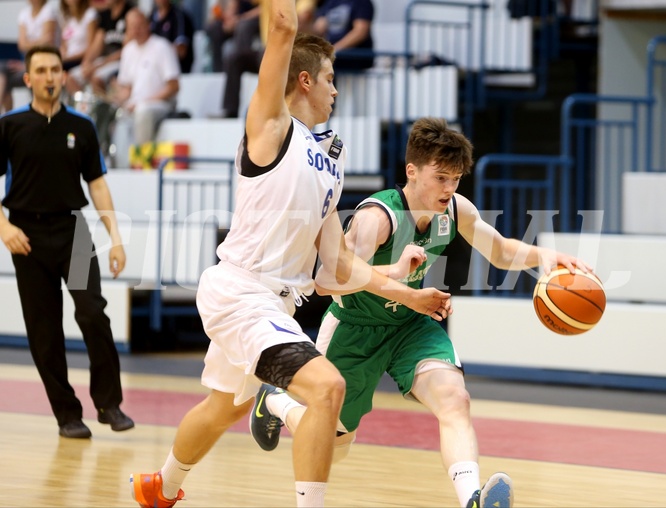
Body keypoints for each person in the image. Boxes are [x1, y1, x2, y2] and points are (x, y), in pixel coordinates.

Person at [129, 2, 450, 507]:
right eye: (329, 78)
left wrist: (396, 282)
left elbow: (336, 268)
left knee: (222, 409)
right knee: (327, 388)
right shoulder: (270, 126)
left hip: (275, 303)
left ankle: (159, 488)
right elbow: (281, 25)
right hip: (241, 291)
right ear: (304, 80)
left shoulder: (328, 163)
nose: (336, 89)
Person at [249, 117, 595, 507]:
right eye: (441, 177)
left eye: (457, 179)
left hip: (410, 325)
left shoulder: (455, 210)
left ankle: (472, 499)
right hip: (355, 328)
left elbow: (499, 250)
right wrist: (396, 274)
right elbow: (325, 281)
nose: (450, 189)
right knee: (335, 445)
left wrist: (546, 256)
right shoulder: (377, 218)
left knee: (455, 399)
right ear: (412, 171)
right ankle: (278, 400)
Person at [0, 45, 134, 439]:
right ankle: (67, 415)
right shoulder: (9, 126)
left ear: (62, 75)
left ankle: (110, 404)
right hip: (26, 236)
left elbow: (97, 185)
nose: (48, 76)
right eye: (40, 70)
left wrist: (116, 239)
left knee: (93, 312)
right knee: (44, 331)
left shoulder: (82, 126)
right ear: (27, 79)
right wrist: (4, 227)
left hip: (74, 232)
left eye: (55, 69)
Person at [221, 0, 317, 118]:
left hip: (292, 51)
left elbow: (303, 16)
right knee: (235, 58)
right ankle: (230, 112)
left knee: (268, 56)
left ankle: (271, 109)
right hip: (267, 50)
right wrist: (232, 10)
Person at [111, 8, 180, 167]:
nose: (136, 30)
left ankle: (141, 162)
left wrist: (144, 101)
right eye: (131, 27)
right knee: (116, 113)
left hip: (161, 104)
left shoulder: (162, 47)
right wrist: (116, 98)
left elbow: (173, 87)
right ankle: (120, 165)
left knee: (143, 110)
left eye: (139, 25)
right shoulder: (128, 51)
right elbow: (127, 89)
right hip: (135, 104)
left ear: (147, 24)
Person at [0, 0, 60, 112]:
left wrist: (28, 45)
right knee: (2, 69)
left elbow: (48, 43)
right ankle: (6, 118)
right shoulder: (24, 13)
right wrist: (40, 41)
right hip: (26, 63)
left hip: (43, 64)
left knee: (34, 74)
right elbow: (22, 45)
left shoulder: (48, 11)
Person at [72, 0, 135, 97]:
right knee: (70, 77)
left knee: (96, 79)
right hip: (103, 60)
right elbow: (97, 44)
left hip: (120, 62)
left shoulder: (130, 13)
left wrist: (98, 66)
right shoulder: (105, 15)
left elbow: (126, 51)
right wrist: (86, 63)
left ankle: (103, 110)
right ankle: (82, 107)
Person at [313, 0, 374, 71]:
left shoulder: (361, 2)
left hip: (354, 62)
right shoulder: (332, 2)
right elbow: (318, 28)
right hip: (334, 62)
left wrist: (334, 49)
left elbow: (360, 31)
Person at [148, 0, 195, 74]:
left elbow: (181, 52)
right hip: (154, 72)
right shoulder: (150, 18)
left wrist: (158, 52)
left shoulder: (180, 17)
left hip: (176, 73)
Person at [59, 0, 99, 75]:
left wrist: (67, 58)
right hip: (67, 59)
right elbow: (64, 46)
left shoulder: (90, 14)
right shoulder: (67, 18)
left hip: (80, 60)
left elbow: (91, 48)